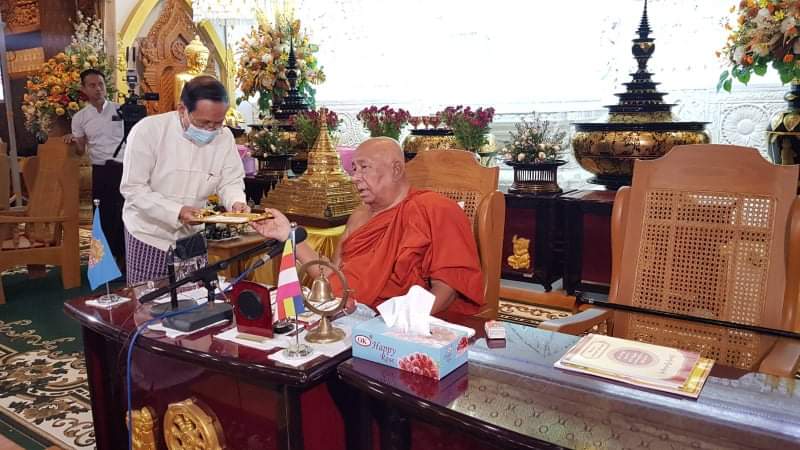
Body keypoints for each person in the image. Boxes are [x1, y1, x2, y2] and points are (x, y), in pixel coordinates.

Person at [252, 137, 485, 315]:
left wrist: (401, 324)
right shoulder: (359, 216)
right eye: (354, 169)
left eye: (364, 167)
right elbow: (334, 279)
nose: (354, 177)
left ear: (396, 170)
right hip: (349, 318)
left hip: (404, 325)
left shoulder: (435, 209)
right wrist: (289, 235)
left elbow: (447, 289)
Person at [120, 75, 249, 285]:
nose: (210, 129)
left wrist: (236, 202)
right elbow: (134, 189)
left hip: (192, 236)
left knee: (195, 297)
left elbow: (230, 180)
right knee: (149, 298)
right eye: (203, 122)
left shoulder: (224, 137)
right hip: (150, 234)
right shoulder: (148, 131)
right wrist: (177, 211)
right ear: (182, 109)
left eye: (217, 123)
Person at [65, 68, 126, 270]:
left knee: (125, 214)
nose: (98, 89)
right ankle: (106, 263)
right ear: (84, 89)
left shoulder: (121, 110)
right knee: (104, 215)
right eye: (92, 85)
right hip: (101, 171)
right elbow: (81, 150)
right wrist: (74, 141)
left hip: (125, 169)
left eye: (100, 84)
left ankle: (128, 259)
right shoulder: (80, 118)